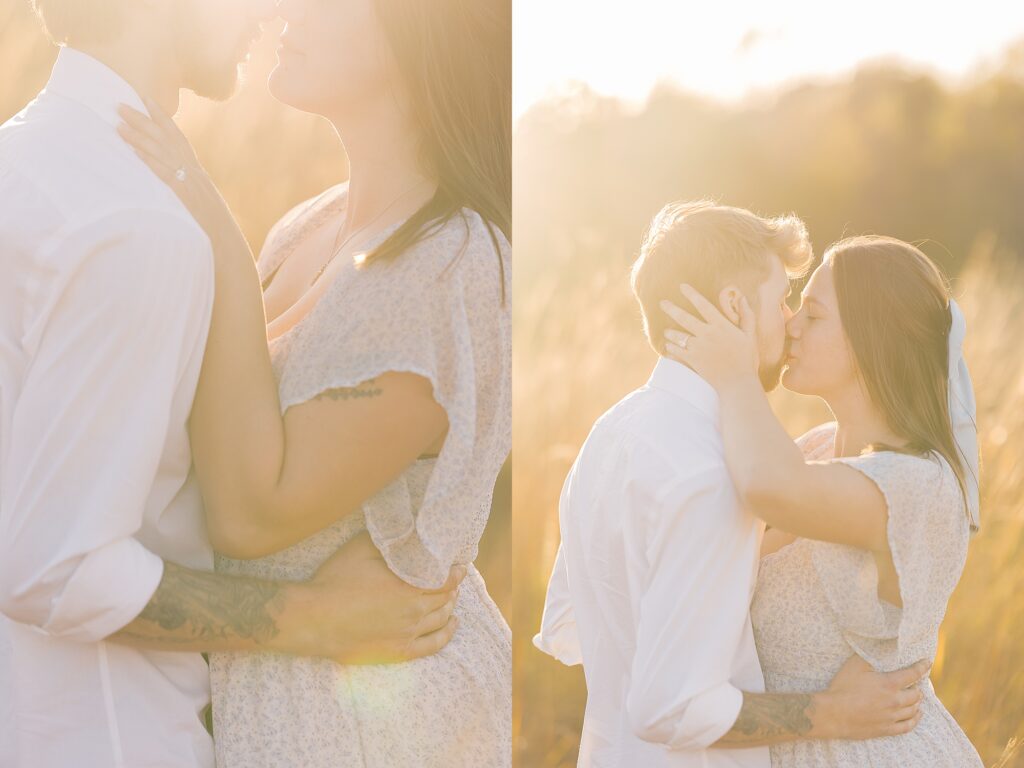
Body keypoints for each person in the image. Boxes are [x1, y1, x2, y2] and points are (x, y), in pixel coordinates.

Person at [0, 2, 463, 766]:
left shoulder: (21, 163)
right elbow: (61, 569)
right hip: (107, 733)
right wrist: (313, 618)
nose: (272, 10)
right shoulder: (139, 226)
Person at [116, 0, 512, 764]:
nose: (286, 9)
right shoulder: (309, 224)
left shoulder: (452, 265)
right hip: (280, 692)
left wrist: (221, 247)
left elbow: (252, 516)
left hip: (378, 718)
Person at [535, 202, 932, 768]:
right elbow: (671, 708)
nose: (791, 320)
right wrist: (833, 714)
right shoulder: (709, 475)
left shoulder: (612, 431)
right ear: (733, 308)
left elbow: (574, 628)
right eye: (780, 300)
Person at [662, 233, 983, 766]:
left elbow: (769, 491)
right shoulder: (813, 449)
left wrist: (735, 372)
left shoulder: (918, 486)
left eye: (812, 315)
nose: (790, 324)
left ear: (869, 337)